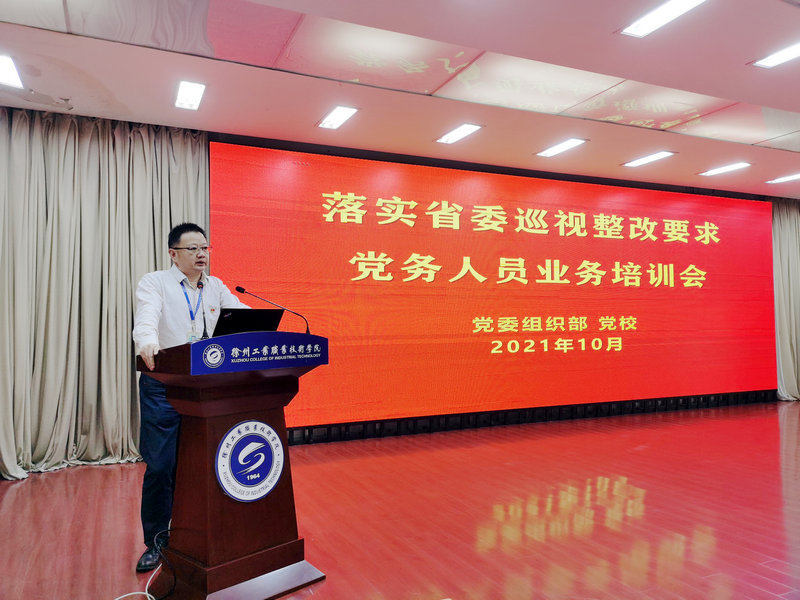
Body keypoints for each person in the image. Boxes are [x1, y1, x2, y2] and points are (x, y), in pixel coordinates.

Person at [132, 222, 248, 572]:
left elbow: (241, 315)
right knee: (161, 466)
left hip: (206, 387)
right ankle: (156, 540)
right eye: (193, 248)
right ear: (173, 253)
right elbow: (147, 316)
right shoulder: (155, 282)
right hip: (164, 384)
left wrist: (266, 331)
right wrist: (146, 342)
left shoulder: (215, 287)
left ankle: (202, 532)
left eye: (205, 248)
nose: (201, 254)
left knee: (205, 463)